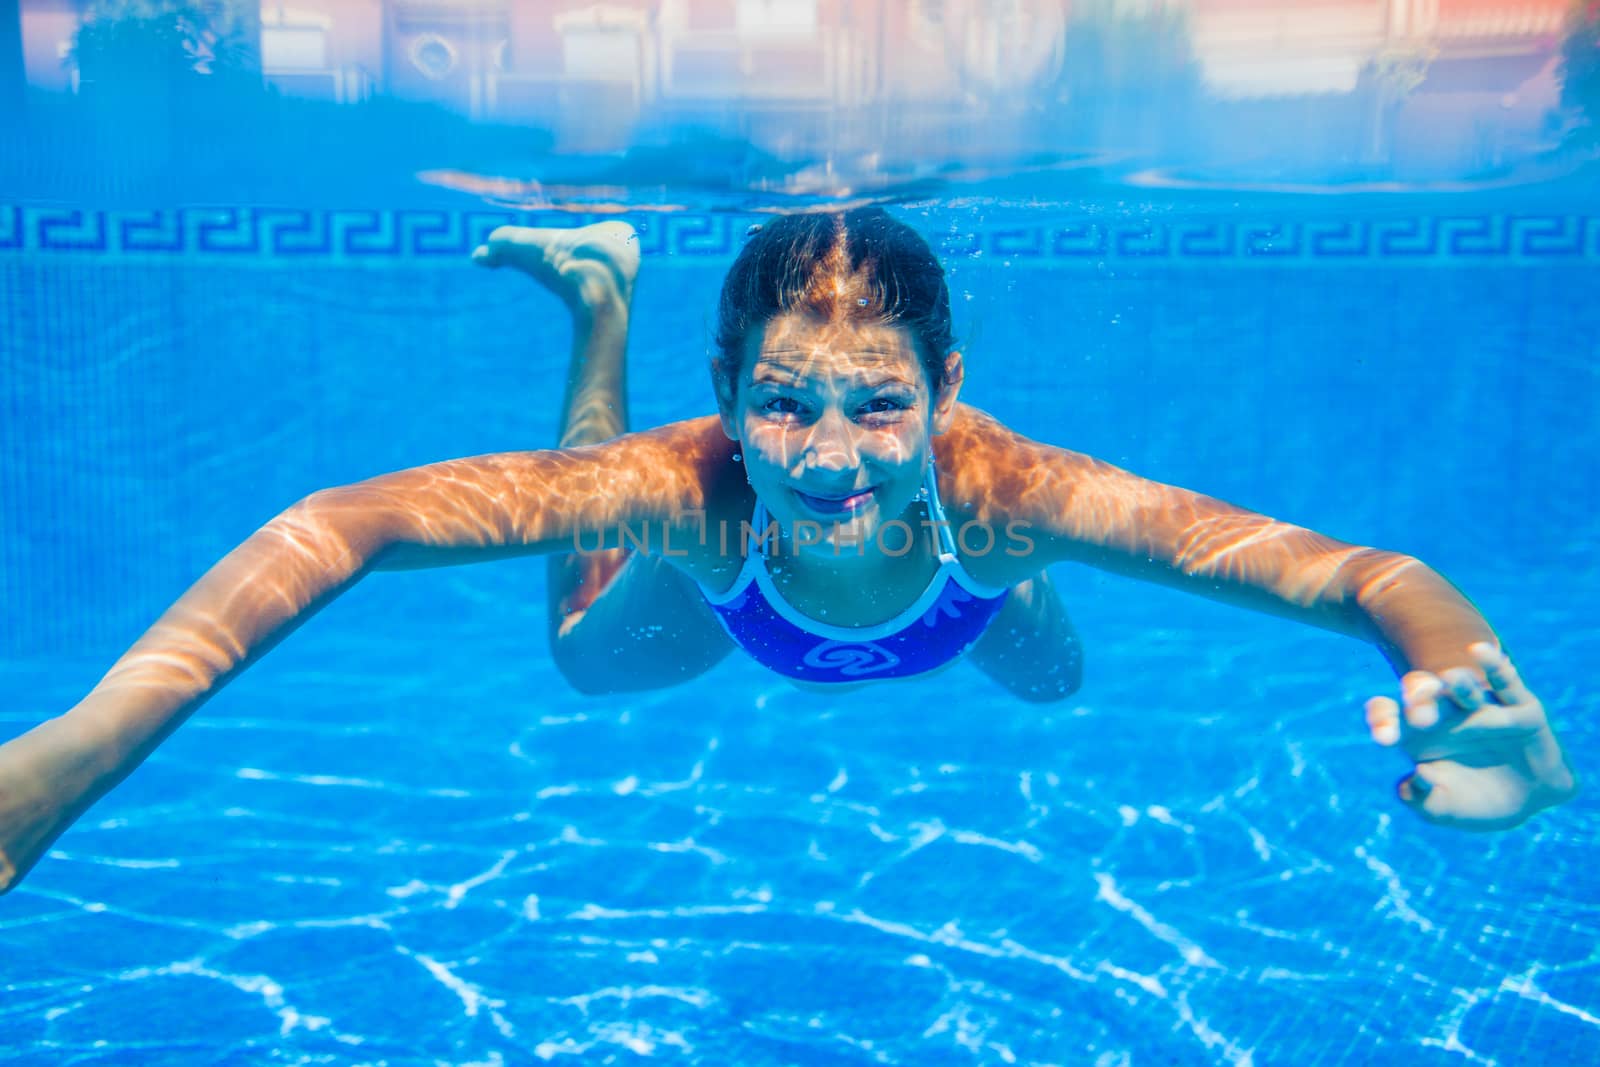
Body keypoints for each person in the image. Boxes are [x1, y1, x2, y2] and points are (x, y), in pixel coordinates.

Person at [0, 209, 1577, 895]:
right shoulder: (702, 488)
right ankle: (601, 304)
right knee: (578, 650)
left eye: (879, 405)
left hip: (972, 597)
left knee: (1049, 687)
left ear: (948, 392)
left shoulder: (1010, 486)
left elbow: (1353, 570)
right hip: (737, 607)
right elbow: (346, 524)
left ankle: (998, 596)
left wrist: (1447, 658)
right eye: (783, 405)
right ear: (728, 398)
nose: (828, 460)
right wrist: (83, 748)